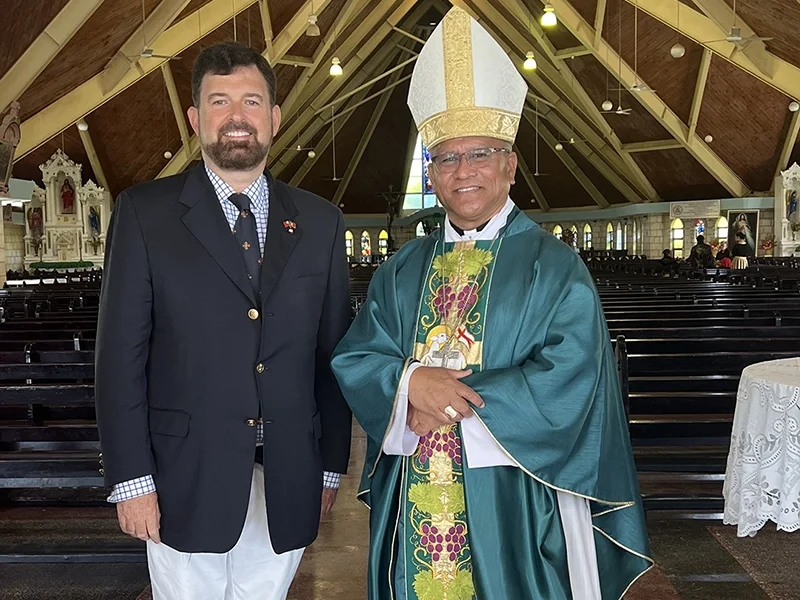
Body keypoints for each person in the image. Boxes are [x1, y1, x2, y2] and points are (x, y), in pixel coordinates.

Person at [330, 8, 651, 600]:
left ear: (509, 163)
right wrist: (407, 386)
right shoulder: (400, 269)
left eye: (479, 154)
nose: (463, 171)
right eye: (446, 157)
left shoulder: (554, 266)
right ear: (432, 171)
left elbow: (574, 373)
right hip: (416, 486)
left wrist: (452, 402)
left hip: (517, 489)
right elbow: (360, 353)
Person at [95, 41, 352, 600]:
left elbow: (331, 359)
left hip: (286, 472)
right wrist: (131, 480)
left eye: (252, 102)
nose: (237, 117)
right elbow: (119, 360)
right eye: (219, 101)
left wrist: (330, 467)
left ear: (275, 117)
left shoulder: (320, 221)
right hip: (181, 473)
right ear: (195, 118)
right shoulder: (145, 213)